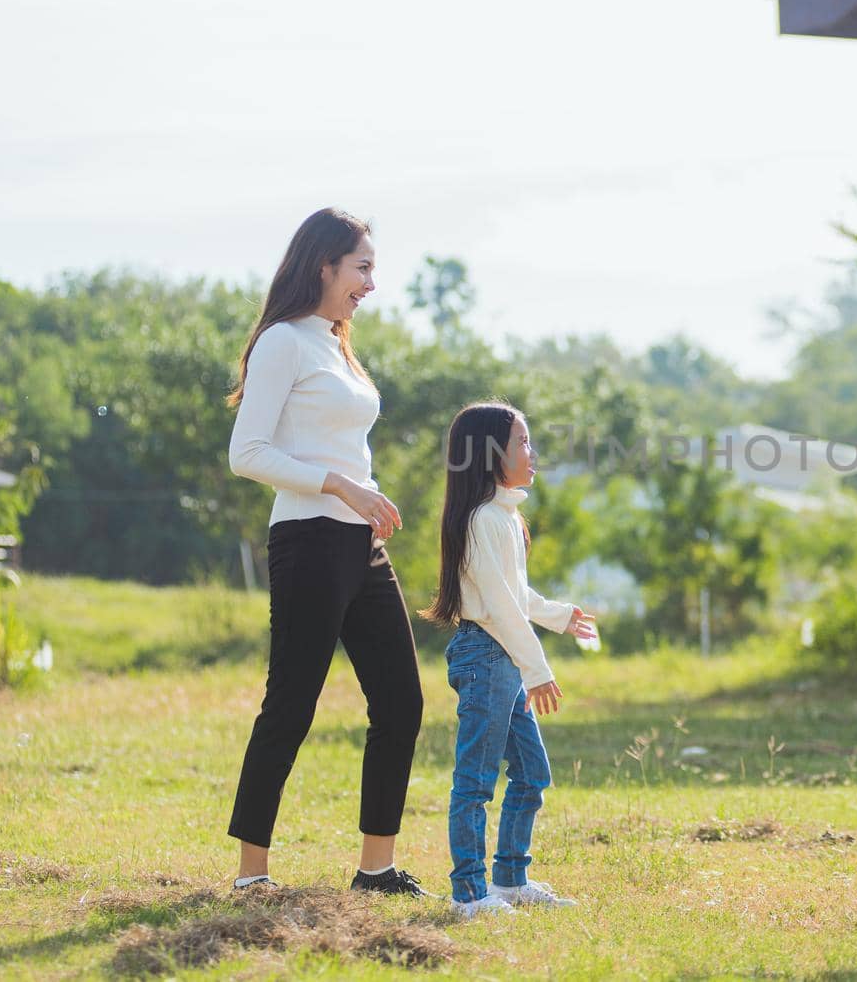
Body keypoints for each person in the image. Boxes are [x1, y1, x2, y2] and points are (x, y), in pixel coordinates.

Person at [223, 207, 427, 897]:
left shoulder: (335, 344)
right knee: (292, 706)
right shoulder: (283, 342)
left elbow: (339, 438)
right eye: (362, 267)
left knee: (401, 699)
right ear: (325, 267)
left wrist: (366, 495)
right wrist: (340, 486)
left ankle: (376, 869)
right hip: (308, 539)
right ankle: (253, 876)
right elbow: (246, 453)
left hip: (359, 545)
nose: (371, 282)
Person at [424, 401, 598, 918]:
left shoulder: (504, 517)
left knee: (531, 773)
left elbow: (515, 595)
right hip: (486, 656)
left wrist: (560, 615)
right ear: (490, 454)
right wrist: (538, 669)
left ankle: (510, 880)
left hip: (503, 656)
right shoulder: (481, 521)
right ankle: (470, 895)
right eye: (522, 441)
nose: (532, 451)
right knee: (475, 781)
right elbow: (498, 608)